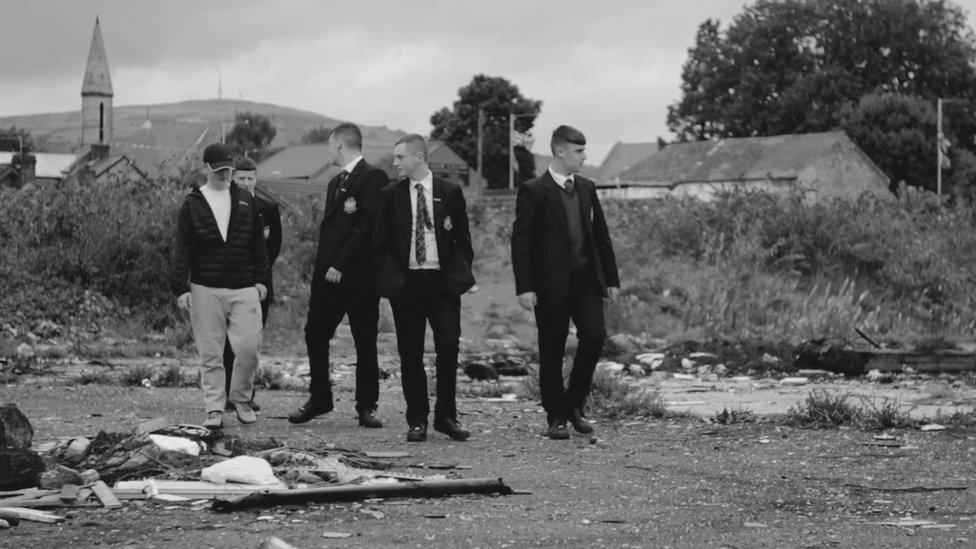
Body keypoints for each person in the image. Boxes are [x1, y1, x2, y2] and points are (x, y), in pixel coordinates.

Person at [510, 125, 620, 440]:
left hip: (587, 281)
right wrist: (525, 286)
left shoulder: (587, 187)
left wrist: (610, 278)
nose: (584, 157)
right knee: (552, 349)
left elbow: (601, 236)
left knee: (595, 337)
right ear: (560, 151)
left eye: (584, 151)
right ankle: (556, 415)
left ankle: (575, 405)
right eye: (579, 151)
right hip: (549, 285)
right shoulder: (534, 190)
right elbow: (522, 241)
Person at [373, 134, 475, 442]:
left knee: (447, 347)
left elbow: (463, 241)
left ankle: (446, 416)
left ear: (419, 157)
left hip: (441, 283)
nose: (395, 163)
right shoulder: (390, 195)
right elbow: (379, 244)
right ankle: (417, 419)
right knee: (410, 353)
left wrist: (458, 276)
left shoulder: (450, 192)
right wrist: (391, 281)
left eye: (400, 157)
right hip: (407, 285)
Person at [288, 123, 387, 428]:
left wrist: (341, 264)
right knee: (315, 333)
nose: (329, 151)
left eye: (331, 146)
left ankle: (366, 405)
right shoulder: (335, 182)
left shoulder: (373, 177)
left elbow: (364, 227)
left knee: (364, 339)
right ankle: (320, 398)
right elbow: (332, 232)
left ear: (341, 145)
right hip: (328, 278)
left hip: (358, 277)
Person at [171, 143, 268, 428]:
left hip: (243, 286)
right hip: (205, 287)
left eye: (229, 170)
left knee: (249, 347)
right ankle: (214, 408)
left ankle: (240, 398)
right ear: (207, 169)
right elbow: (182, 248)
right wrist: (181, 288)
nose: (225, 175)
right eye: (220, 170)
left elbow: (258, 246)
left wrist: (262, 280)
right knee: (210, 353)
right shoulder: (192, 204)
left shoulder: (245, 200)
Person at [221, 156, 281, 413]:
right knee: (227, 343)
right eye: (241, 178)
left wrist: (259, 276)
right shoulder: (223, 206)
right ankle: (223, 394)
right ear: (233, 179)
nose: (245, 182)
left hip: (258, 283)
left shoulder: (268, 208)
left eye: (250, 178)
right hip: (228, 282)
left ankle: (245, 395)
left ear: (256, 179)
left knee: (250, 343)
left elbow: (274, 247)